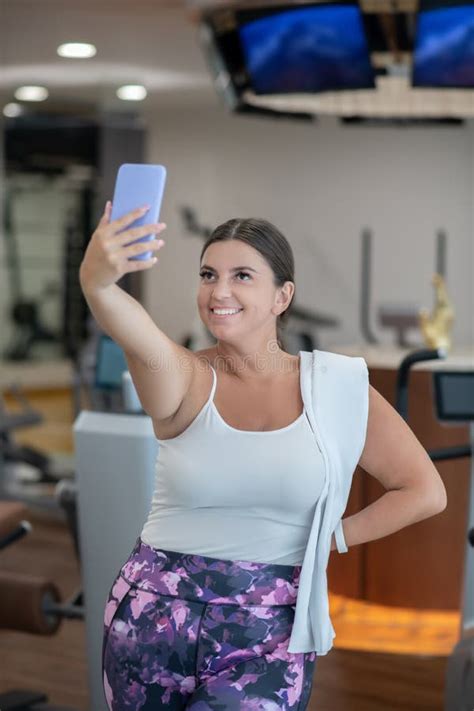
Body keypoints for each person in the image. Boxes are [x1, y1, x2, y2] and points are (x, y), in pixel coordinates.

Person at [79, 201, 447, 710]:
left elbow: (424, 491)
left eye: (242, 275)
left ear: (282, 296)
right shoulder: (184, 376)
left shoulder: (337, 386)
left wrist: (329, 539)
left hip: (272, 624)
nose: (219, 291)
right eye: (208, 274)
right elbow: (132, 329)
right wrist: (98, 282)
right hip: (154, 613)